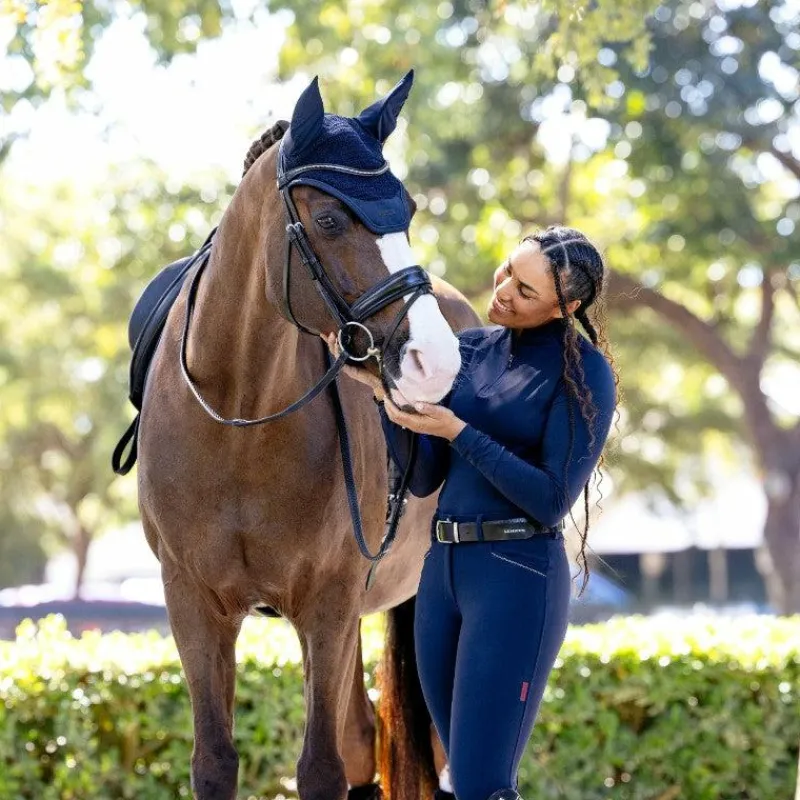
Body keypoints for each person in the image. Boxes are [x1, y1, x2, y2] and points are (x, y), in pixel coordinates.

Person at [323, 225, 619, 800]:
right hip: (442, 575)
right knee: (459, 772)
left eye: (526, 291)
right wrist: (387, 399)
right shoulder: (473, 350)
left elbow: (552, 497)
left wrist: (458, 430)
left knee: (484, 784)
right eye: (508, 271)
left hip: (516, 578)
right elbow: (429, 472)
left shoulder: (584, 374)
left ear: (568, 306)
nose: (505, 290)